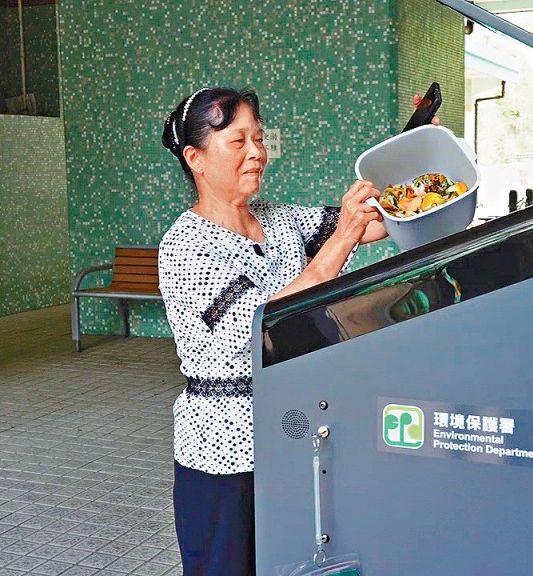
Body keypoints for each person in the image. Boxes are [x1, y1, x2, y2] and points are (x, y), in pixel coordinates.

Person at [159, 86, 414, 575]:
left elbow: (368, 225)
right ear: (196, 158)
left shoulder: (278, 220)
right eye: (238, 142)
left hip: (292, 436)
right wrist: (340, 240)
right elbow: (265, 320)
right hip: (223, 453)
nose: (257, 152)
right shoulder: (185, 247)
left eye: (259, 138)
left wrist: (408, 169)